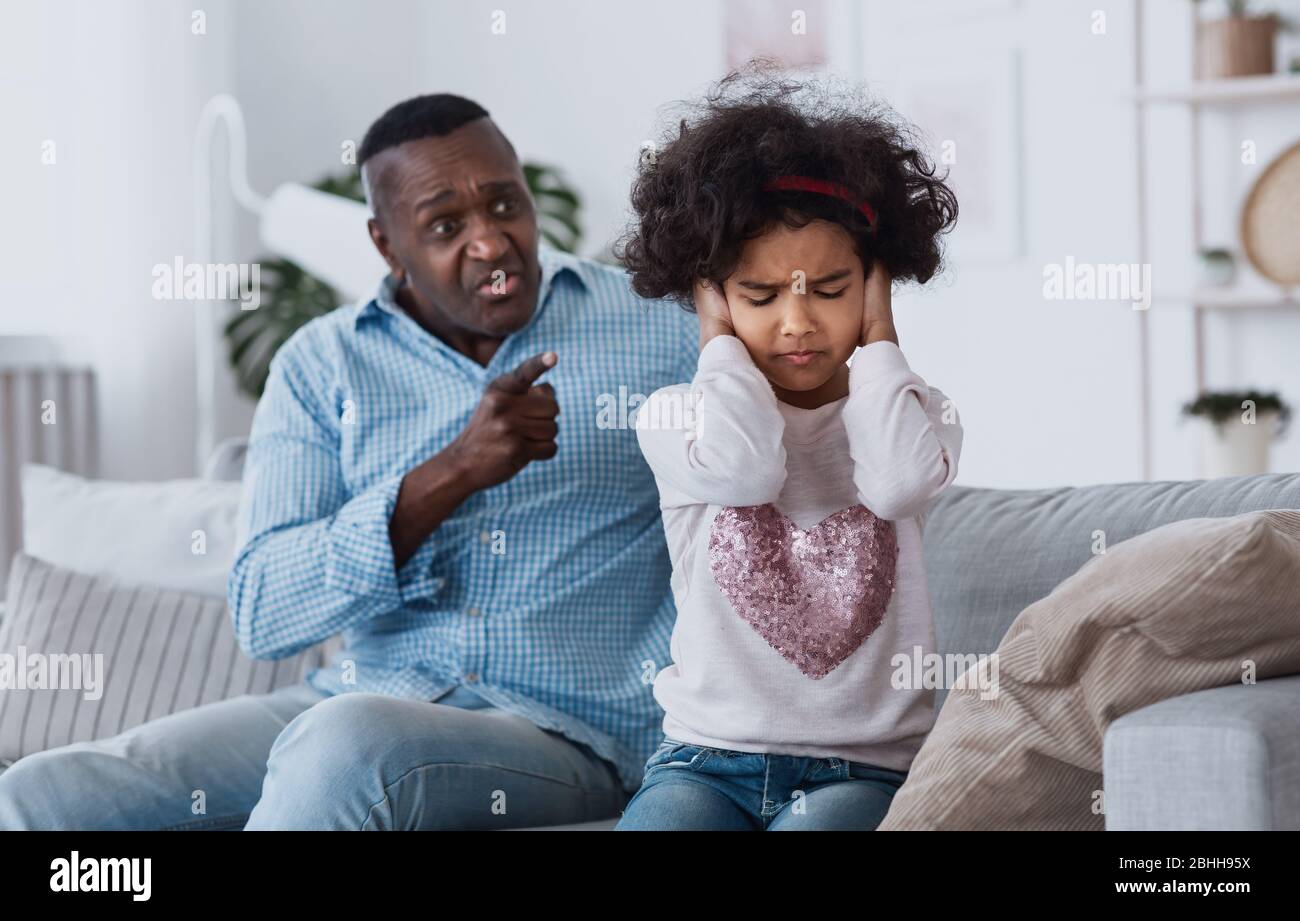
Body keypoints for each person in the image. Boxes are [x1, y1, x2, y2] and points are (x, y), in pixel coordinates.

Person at [0, 93, 696, 831]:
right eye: (445, 226)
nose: (491, 243)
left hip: (566, 732)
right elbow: (265, 610)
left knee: (347, 748)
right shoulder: (321, 366)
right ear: (386, 244)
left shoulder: (658, 325)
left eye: (505, 205)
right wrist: (451, 472)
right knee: (39, 795)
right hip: (353, 697)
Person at [614, 69, 964, 830]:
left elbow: (900, 485)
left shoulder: (917, 412)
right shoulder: (672, 418)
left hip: (863, 767)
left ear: (877, 282)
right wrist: (718, 345)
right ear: (712, 292)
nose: (797, 322)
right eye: (761, 296)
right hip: (703, 760)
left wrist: (880, 343)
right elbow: (744, 470)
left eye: (831, 288)